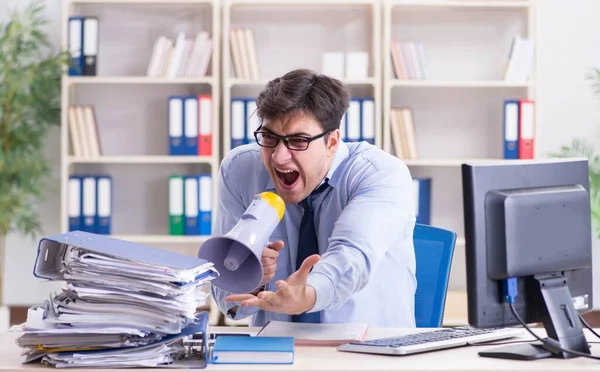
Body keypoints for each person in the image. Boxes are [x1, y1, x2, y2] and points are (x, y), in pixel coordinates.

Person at [211, 68, 417, 328]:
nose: (278, 157)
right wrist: (251, 279)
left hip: (368, 350)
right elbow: (225, 296)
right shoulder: (241, 170)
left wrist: (306, 296)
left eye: (298, 140)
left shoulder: (380, 174)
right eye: (269, 137)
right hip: (276, 352)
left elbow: (351, 257)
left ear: (332, 142)